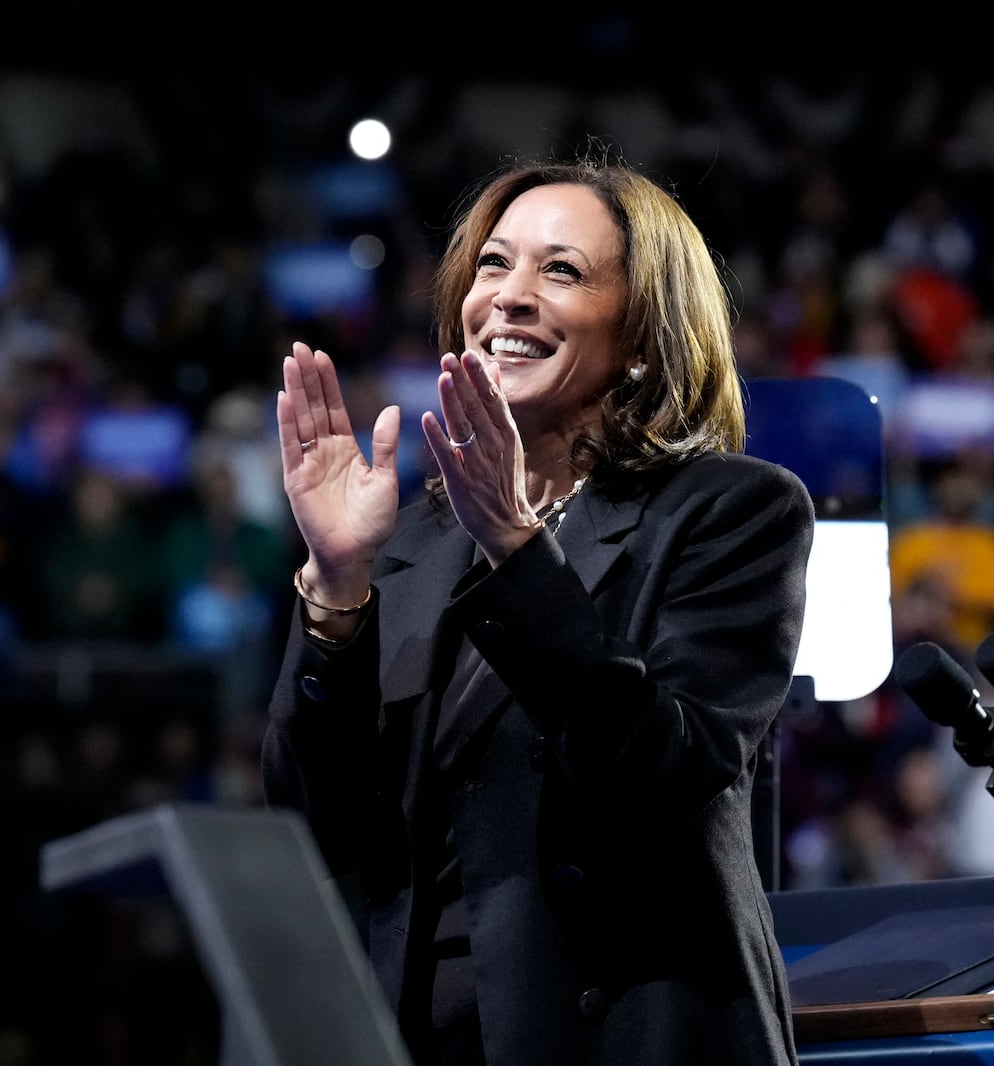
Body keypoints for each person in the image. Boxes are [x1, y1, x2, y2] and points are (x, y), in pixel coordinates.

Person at [261, 156, 815, 1066]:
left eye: (560, 270)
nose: (509, 297)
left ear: (642, 333)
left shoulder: (729, 513)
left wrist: (519, 553)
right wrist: (335, 584)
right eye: (493, 264)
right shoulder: (412, 541)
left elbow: (665, 771)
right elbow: (318, 827)